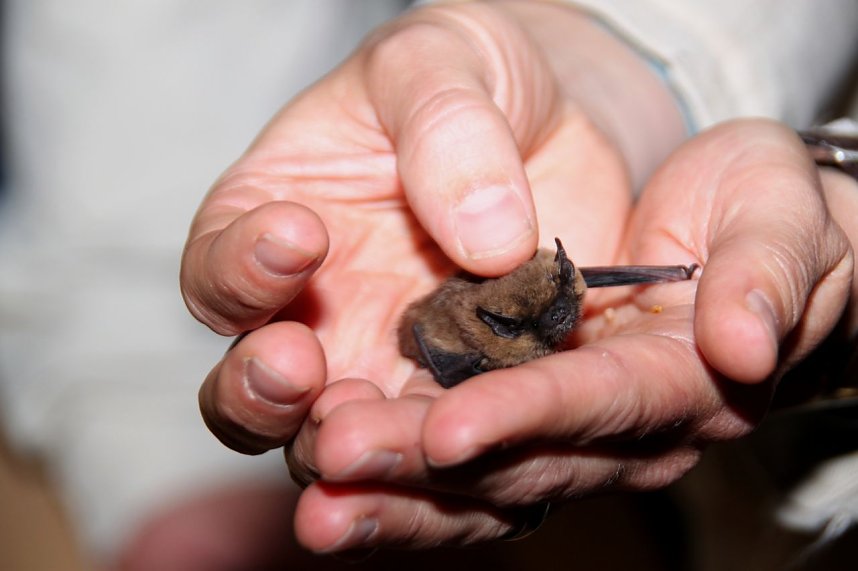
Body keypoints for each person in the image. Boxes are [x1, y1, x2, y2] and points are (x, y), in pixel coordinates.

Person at [182, 0, 858, 561]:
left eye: (568, 292)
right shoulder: (477, 337)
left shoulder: (545, 287)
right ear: (510, 330)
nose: (569, 314)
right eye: (552, 314)